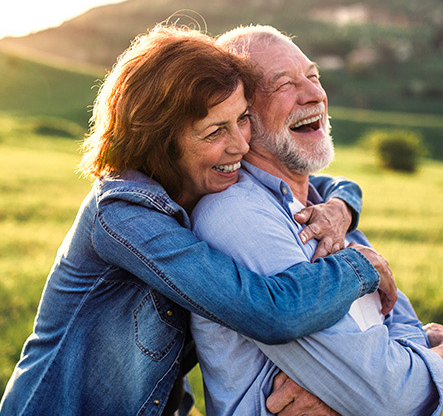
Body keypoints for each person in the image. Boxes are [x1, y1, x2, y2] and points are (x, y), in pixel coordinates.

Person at [0, 24, 399, 416]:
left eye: (242, 119)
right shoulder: (122, 215)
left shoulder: (201, 180)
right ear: (161, 141)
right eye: (214, 132)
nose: (241, 145)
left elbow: (328, 183)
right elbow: (269, 312)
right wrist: (359, 265)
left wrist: (341, 208)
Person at [190, 25, 443, 415]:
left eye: (314, 76)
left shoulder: (331, 213)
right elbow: (391, 398)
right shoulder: (238, 217)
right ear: (241, 115)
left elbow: (399, 323)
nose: (314, 94)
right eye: (284, 83)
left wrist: (388, 375)